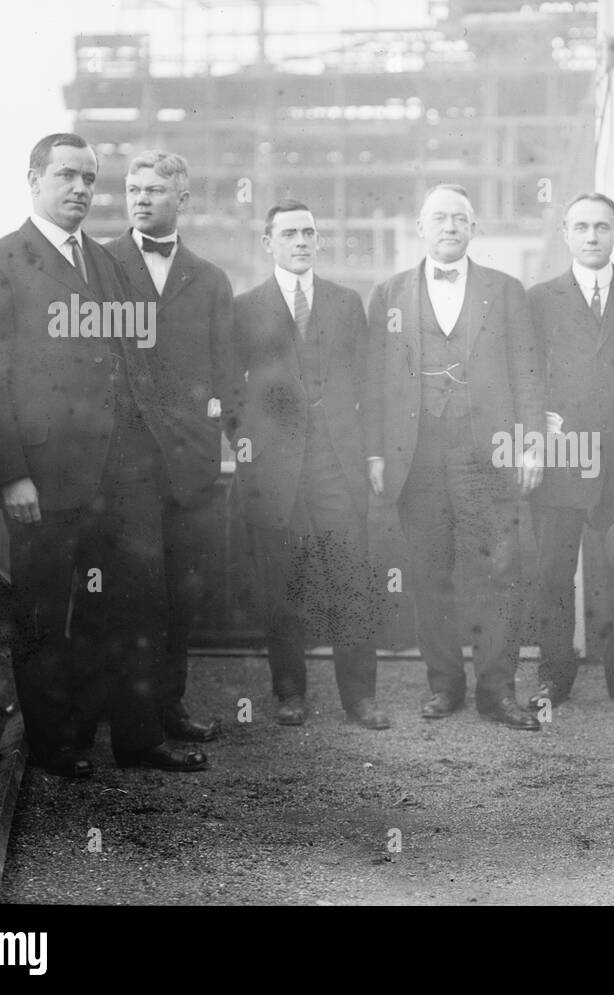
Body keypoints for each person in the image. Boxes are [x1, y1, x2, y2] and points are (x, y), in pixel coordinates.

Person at [0, 132, 206, 775]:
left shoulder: (109, 262)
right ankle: (55, 745)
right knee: (42, 612)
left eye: (90, 179)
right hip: (44, 476)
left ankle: (139, 740)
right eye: (67, 176)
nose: (81, 190)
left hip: (123, 477)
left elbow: (134, 362)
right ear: (33, 178)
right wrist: (10, 476)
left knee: (136, 603)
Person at [363, 183, 544, 730]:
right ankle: (444, 685)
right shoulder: (389, 295)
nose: (448, 227)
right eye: (438, 218)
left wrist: (531, 441)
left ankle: (498, 691)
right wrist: (374, 452)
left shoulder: (506, 291)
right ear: (420, 228)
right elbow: (374, 383)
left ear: (473, 229)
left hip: (486, 453)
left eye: (459, 219)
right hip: (415, 455)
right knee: (428, 573)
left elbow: (528, 371)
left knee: (497, 571)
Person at [232, 199, 388, 729]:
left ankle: (359, 698)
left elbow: (369, 382)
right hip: (275, 469)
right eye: (290, 233)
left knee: (351, 581)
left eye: (309, 233)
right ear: (268, 242)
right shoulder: (245, 306)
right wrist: (250, 442)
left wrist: (369, 451)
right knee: (283, 583)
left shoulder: (347, 303)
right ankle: (290, 693)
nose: (301, 242)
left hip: (336, 462)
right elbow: (230, 391)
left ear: (318, 241)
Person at [106, 149, 235, 743]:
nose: (141, 198)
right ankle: (132, 724)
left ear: (181, 197)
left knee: (183, 591)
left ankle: (170, 706)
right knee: (134, 595)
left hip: (190, 467)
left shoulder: (210, 280)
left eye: (155, 190)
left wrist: (222, 443)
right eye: (134, 188)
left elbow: (226, 375)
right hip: (122, 467)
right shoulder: (99, 265)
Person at [524, 192, 614, 712]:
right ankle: (553, 678)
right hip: (562, 457)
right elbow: (526, 374)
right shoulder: (538, 299)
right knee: (553, 574)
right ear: (565, 232)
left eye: (601, 227)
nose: (591, 237)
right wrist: (534, 429)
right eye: (581, 227)